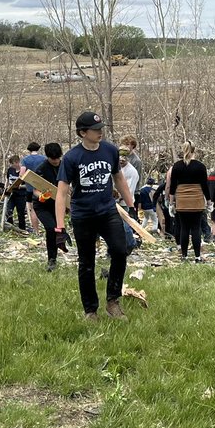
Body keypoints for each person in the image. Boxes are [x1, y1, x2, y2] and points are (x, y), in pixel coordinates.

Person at [55, 111, 135, 321]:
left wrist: (131, 206)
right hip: (83, 215)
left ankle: (113, 301)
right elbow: (62, 192)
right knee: (87, 262)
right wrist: (59, 227)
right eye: (95, 130)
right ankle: (91, 310)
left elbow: (119, 178)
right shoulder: (72, 157)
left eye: (101, 129)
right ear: (82, 132)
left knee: (120, 250)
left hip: (107, 210)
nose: (100, 132)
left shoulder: (109, 150)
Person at [168, 142, 211, 261]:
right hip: (196, 199)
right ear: (194, 151)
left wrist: (171, 203)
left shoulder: (177, 166)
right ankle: (197, 256)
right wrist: (209, 201)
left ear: (183, 150)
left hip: (182, 200)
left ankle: (184, 255)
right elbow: (205, 186)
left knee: (184, 228)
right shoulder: (200, 166)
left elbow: (172, 187)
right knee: (196, 228)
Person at [32, 143, 66, 271]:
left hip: (59, 204)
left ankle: (61, 248)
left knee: (59, 230)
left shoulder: (64, 165)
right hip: (43, 206)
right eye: (53, 159)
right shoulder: (41, 169)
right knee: (51, 229)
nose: (56, 161)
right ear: (48, 157)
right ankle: (52, 260)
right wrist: (41, 195)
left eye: (58, 158)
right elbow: (35, 190)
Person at [22, 142, 45, 232]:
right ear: (38, 148)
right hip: (42, 188)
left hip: (30, 188)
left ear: (29, 149)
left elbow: (22, 174)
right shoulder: (44, 159)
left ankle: (36, 230)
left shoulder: (25, 160)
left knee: (33, 210)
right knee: (45, 208)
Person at [5, 155, 29, 230]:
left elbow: (28, 185)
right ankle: (10, 226)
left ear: (17, 162)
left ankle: (22, 229)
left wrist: (20, 186)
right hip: (12, 193)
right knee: (8, 210)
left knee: (20, 213)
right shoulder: (10, 170)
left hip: (21, 194)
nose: (11, 165)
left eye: (12, 163)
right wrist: (6, 187)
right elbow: (8, 180)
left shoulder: (25, 171)